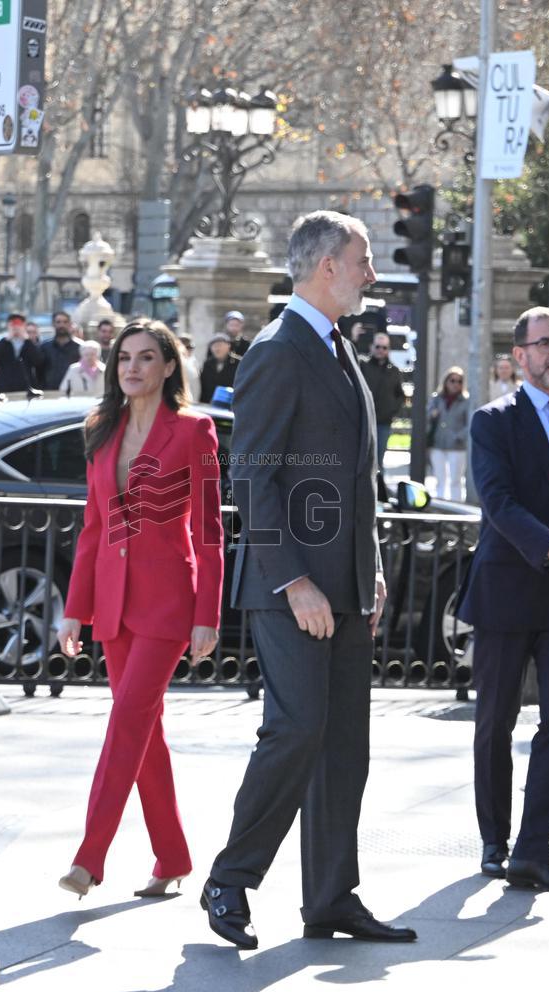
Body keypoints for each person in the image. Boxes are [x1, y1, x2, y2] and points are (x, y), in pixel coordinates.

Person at [202, 210, 416, 949]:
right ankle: (230, 878)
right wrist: (294, 580)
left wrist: (371, 569)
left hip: (347, 587)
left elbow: (358, 483)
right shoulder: (276, 349)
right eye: (362, 260)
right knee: (295, 730)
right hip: (288, 588)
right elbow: (250, 479)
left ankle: (330, 899)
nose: (370, 273)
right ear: (328, 265)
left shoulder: (338, 347)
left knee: (344, 746)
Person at [57, 317, 224, 900]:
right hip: (112, 602)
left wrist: (207, 615)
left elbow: (209, 532)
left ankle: (89, 858)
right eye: (124, 357)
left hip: (168, 604)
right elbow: (93, 527)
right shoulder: (101, 426)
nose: (132, 367)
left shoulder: (195, 431)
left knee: (126, 723)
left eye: (146, 357)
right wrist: (74, 608)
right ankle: (173, 855)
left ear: (169, 366)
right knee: (145, 733)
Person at [456, 306, 549, 889]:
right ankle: (494, 839)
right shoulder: (492, 420)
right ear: (519, 356)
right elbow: (497, 500)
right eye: (544, 343)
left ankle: (533, 848)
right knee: (495, 721)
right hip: (506, 589)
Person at [361, 332, 405, 470]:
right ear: (371, 347)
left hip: (383, 422)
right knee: (363, 458)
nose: (381, 350)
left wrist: (391, 411)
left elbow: (400, 395)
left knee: (378, 460)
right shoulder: (362, 365)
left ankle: (379, 484)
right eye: (378, 346)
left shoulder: (394, 370)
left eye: (384, 347)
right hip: (363, 421)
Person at [426, 367, 469, 500]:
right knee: (440, 478)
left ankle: (456, 505)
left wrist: (459, 436)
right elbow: (426, 415)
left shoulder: (466, 401)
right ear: (446, 382)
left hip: (457, 446)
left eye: (459, 381)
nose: (456, 384)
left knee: (455, 480)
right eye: (452, 380)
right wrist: (432, 414)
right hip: (437, 443)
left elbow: (469, 423)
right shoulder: (437, 398)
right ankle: (441, 504)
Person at [0, 313, 44, 394]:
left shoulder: (28, 343)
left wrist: (27, 340)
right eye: (13, 325)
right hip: (4, 387)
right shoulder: (2, 343)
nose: (16, 327)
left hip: (25, 387)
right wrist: (6, 340)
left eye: (19, 325)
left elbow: (38, 361)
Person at [40, 311, 81, 389]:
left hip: (73, 391)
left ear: (70, 324)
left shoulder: (79, 347)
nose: (62, 325)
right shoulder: (44, 347)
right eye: (58, 322)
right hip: (49, 391)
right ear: (53, 324)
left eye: (65, 322)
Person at [199, 333, 240, 403]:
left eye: (219, 345)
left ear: (228, 346)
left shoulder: (238, 363)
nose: (217, 349)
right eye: (214, 346)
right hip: (209, 403)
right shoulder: (207, 364)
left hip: (230, 403)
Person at [178, 334, 201, 402]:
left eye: (191, 348)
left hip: (194, 401)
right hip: (181, 400)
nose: (190, 350)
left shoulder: (194, 362)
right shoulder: (176, 363)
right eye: (187, 348)